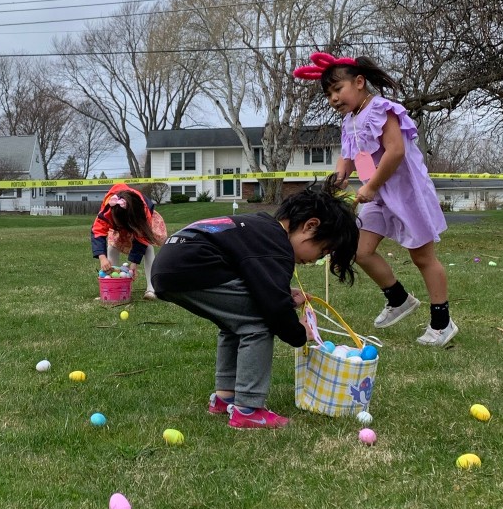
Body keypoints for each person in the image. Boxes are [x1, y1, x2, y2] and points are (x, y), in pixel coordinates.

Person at [151, 178, 358, 429]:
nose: (317, 259)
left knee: (234, 322)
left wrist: (282, 293)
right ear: (310, 226)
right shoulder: (277, 246)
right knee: (258, 323)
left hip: (172, 266)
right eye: (323, 251)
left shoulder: (262, 228)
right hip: (192, 267)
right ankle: (248, 409)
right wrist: (298, 332)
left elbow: (256, 281)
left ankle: (225, 397)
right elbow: (273, 308)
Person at [293, 51, 455, 345]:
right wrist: (338, 179)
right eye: (328, 94)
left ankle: (442, 323)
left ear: (359, 82)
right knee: (360, 250)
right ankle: (399, 299)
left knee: (422, 257)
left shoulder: (382, 109)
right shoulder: (349, 120)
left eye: (337, 89)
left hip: (406, 194)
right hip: (377, 197)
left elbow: (395, 151)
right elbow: (348, 157)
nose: (333, 99)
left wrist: (370, 186)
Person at [91, 181, 165, 300]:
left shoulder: (142, 212)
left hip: (139, 223)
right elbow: (97, 231)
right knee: (112, 247)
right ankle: (113, 287)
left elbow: (141, 238)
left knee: (148, 248)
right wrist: (102, 257)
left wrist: (134, 263)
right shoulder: (108, 210)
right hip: (122, 221)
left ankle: (151, 288)